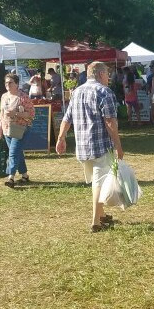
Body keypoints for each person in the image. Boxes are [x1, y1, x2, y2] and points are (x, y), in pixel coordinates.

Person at [55, 61, 124, 232]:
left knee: (96, 181)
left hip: (82, 147)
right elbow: (110, 121)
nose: (109, 77)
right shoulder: (104, 92)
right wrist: (118, 145)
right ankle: (95, 220)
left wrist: (60, 138)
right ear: (100, 74)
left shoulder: (77, 92)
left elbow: (67, 118)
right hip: (100, 145)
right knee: (99, 183)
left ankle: (101, 216)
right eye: (107, 74)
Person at [0, 72, 36, 188]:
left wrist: (15, 113)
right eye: (6, 82)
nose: (7, 85)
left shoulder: (23, 97)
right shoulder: (4, 96)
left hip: (20, 128)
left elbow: (31, 114)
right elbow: (1, 114)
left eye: (10, 82)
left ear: (17, 84)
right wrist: (0, 129)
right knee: (17, 152)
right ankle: (24, 175)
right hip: (6, 128)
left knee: (13, 152)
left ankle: (11, 178)